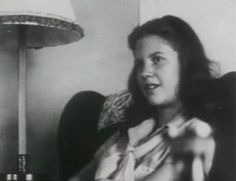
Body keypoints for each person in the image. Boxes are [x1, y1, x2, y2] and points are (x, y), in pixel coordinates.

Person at [68, 15, 218, 181]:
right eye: (139, 63)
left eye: (157, 59)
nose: (144, 72)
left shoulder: (194, 135)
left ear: (186, 65)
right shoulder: (128, 133)